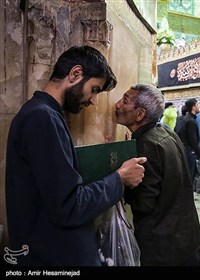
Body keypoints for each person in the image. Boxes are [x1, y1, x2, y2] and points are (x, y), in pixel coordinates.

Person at [5, 45, 147, 266]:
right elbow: (69, 207)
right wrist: (120, 178)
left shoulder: (46, 115)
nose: (93, 101)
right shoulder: (41, 118)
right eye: (94, 90)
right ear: (75, 74)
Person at [115, 84, 200, 266]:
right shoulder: (166, 132)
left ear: (140, 114)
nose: (117, 105)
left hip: (164, 248)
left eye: (124, 101)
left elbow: (144, 204)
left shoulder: (146, 144)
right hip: (189, 239)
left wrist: (120, 178)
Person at [178, 98, 200, 186]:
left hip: (185, 150)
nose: (198, 107)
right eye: (197, 105)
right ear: (193, 107)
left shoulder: (185, 119)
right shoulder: (190, 121)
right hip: (189, 152)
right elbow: (193, 141)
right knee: (189, 178)